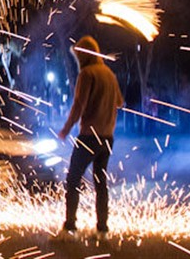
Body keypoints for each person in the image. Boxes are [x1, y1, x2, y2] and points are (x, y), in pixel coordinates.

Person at [56, 36, 123, 241]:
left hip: (89, 136)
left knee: (73, 179)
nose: (77, 59)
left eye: (78, 55)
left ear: (84, 54)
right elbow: (119, 102)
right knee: (100, 182)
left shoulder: (87, 73)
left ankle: (69, 228)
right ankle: (102, 229)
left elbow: (79, 105)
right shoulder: (109, 74)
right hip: (107, 137)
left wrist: (66, 129)